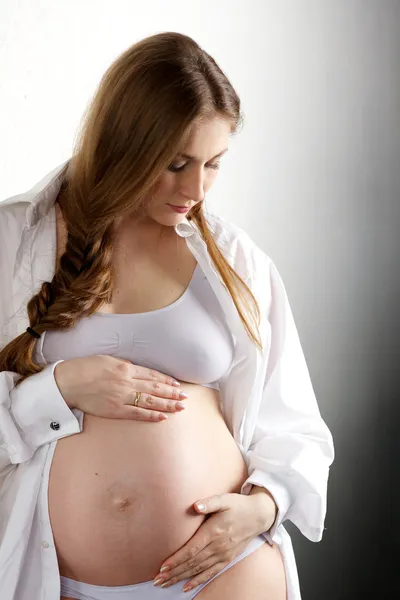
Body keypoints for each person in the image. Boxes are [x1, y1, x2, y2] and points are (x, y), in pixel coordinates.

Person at [0, 32, 334, 600]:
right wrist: (57, 389)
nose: (196, 190)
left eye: (213, 164)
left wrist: (263, 505)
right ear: (124, 143)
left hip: (226, 571)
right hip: (54, 575)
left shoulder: (236, 262)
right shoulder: (13, 238)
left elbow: (295, 423)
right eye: (176, 164)